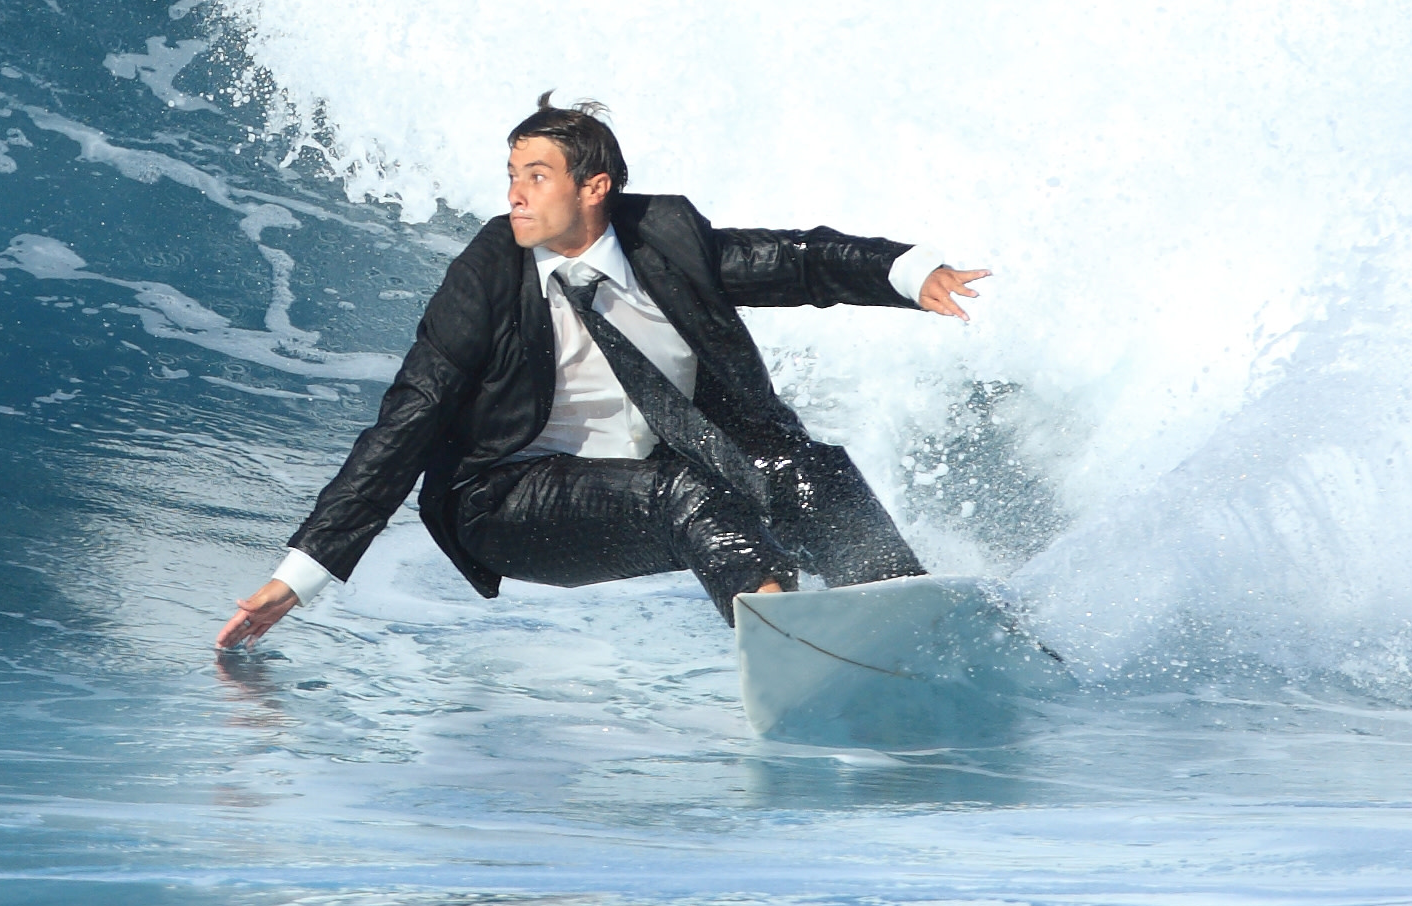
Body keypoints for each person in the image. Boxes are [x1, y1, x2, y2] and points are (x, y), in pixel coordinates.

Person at [215, 95, 986, 649]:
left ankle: (912, 624)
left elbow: (793, 261)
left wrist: (906, 271)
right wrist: (304, 574)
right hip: (507, 502)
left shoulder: (665, 240)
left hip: (648, 470)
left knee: (807, 473)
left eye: (537, 176)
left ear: (594, 188)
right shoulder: (485, 277)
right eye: (511, 174)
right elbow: (407, 422)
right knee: (690, 494)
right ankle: (791, 647)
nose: (514, 194)